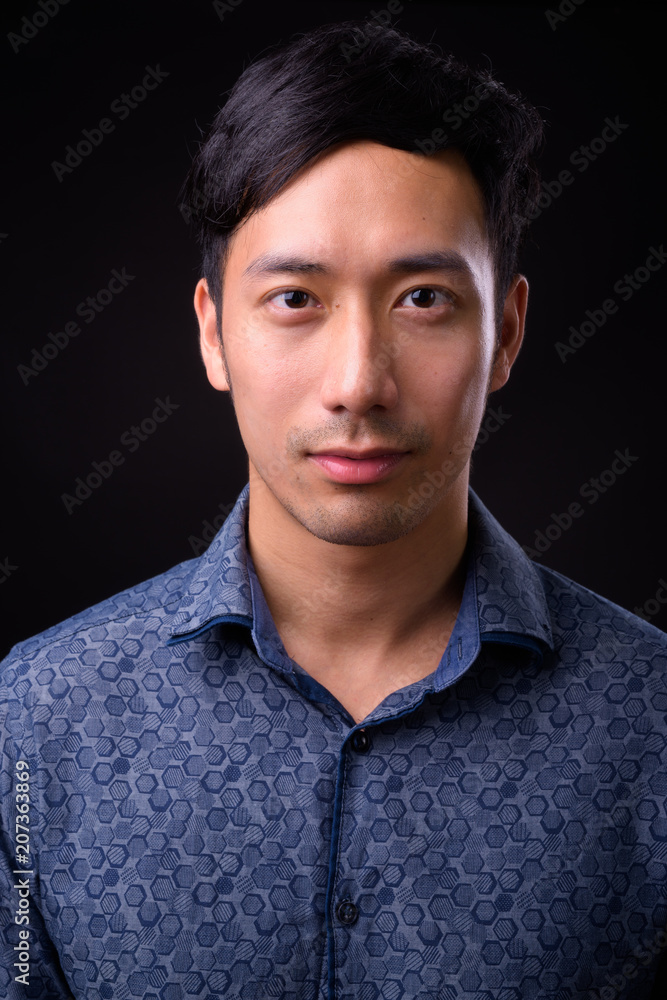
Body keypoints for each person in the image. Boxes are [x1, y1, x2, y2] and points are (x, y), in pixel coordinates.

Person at [1, 17, 665, 1000]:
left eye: (424, 299)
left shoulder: (651, 725)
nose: (357, 383)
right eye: (296, 300)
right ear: (213, 333)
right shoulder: (36, 720)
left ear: (507, 332)